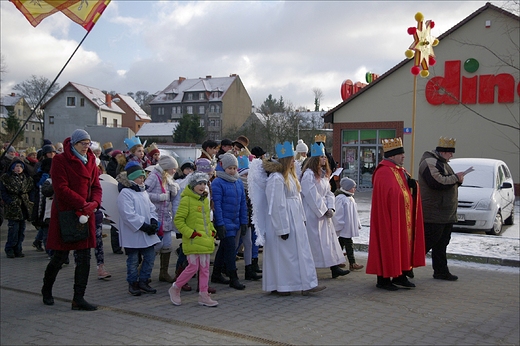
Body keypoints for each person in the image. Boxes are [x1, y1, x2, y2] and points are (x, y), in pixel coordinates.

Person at [248, 141, 325, 296]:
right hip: (284, 220)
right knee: (284, 255)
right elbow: (277, 205)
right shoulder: (276, 178)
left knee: (301, 253)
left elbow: (297, 198)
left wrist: (302, 218)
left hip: (295, 219)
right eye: (291, 159)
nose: (294, 162)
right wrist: (282, 228)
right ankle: (282, 285)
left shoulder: (289, 176)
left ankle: (307, 283)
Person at [41, 129, 102, 310]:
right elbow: (61, 188)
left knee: (84, 258)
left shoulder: (91, 160)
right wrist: (83, 204)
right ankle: (46, 289)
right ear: (74, 143)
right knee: (59, 257)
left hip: (86, 214)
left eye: (88, 144)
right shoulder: (60, 160)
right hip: (67, 214)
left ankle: (78, 298)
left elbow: (97, 187)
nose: (86, 147)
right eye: (83, 143)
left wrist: (94, 204)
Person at [366, 137, 426, 291]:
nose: (404, 156)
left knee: (401, 245)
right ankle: (384, 279)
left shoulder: (400, 170)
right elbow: (390, 194)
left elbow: (403, 191)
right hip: (388, 218)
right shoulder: (383, 171)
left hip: (401, 216)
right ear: (392, 156)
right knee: (387, 244)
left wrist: (413, 187)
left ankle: (400, 275)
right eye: (401, 154)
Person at [300, 142, 349, 279]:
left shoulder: (323, 175)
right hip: (312, 213)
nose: (325, 159)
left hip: (324, 213)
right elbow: (310, 194)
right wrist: (322, 209)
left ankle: (334, 267)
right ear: (315, 159)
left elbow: (328, 192)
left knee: (329, 242)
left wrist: (331, 207)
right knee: (314, 243)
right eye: (322, 156)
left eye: (325, 157)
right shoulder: (309, 175)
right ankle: (310, 271)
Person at [169, 172, 218, 307]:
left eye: (204, 183)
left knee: (205, 268)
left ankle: (203, 294)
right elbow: (179, 220)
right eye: (199, 184)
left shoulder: (204, 200)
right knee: (192, 267)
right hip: (193, 239)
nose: (202, 186)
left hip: (205, 239)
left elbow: (207, 220)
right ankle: (176, 287)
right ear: (193, 185)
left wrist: (212, 231)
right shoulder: (187, 199)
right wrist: (190, 233)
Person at [419, 137, 463, 281]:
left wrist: (457, 180)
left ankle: (441, 271)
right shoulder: (430, 162)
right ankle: (404, 269)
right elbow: (437, 182)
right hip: (434, 213)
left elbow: (447, 182)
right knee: (426, 244)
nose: (452, 156)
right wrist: (456, 178)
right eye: (450, 153)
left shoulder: (442, 163)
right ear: (443, 152)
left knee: (441, 243)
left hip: (444, 212)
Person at [116, 161, 161, 296]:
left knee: (150, 257)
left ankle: (144, 280)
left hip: (146, 233)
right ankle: (133, 282)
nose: (142, 180)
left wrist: (153, 220)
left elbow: (151, 208)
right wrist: (144, 226)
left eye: (143, 177)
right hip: (134, 233)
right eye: (139, 177)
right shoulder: (125, 193)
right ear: (131, 178)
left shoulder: (143, 192)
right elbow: (128, 215)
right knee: (133, 260)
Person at [210, 152, 248, 290]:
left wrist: (244, 221)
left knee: (224, 248)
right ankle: (233, 277)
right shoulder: (218, 182)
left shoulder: (238, 182)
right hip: (225, 221)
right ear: (223, 167)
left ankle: (216, 273)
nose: (232, 171)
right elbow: (217, 205)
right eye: (229, 168)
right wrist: (219, 223)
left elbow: (243, 203)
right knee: (231, 250)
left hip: (235, 220)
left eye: (234, 168)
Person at [144, 155, 180, 283]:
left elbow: (172, 197)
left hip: (166, 217)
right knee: (155, 246)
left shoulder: (169, 179)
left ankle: (163, 273)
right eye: (173, 168)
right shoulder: (154, 176)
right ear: (166, 168)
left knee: (167, 245)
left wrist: (174, 190)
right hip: (156, 217)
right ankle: (144, 272)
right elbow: (144, 193)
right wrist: (160, 197)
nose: (174, 171)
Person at [1, 158, 34, 258]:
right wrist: (10, 201)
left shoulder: (26, 179)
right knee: (13, 230)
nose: (18, 168)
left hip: (24, 206)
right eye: (16, 166)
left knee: (21, 230)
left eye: (20, 166)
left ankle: (18, 248)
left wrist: (30, 201)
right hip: (13, 207)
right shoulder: (6, 178)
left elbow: (31, 190)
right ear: (12, 168)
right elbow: (3, 192)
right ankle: (10, 248)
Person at [333, 177, 364, 271]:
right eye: (353, 187)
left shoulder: (350, 198)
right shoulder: (340, 198)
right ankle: (352, 263)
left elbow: (354, 213)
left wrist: (357, 223)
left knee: (341, 243)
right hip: (344, 226)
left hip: (348, 226)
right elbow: (338, 213)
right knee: (348, 244)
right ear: (347, 187)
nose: (354, 189)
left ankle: (336, 261)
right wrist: (339, 224)